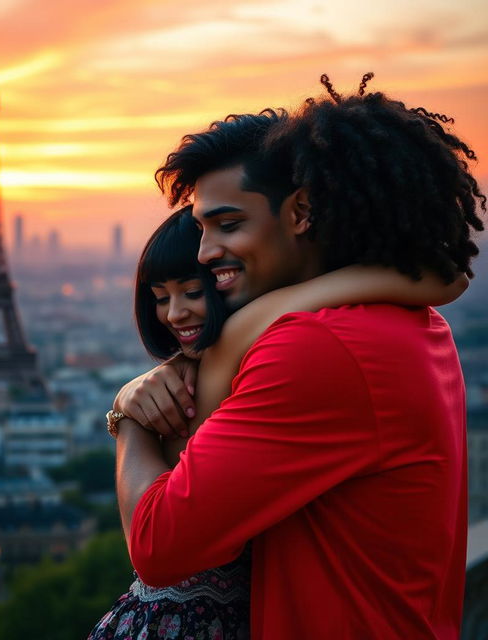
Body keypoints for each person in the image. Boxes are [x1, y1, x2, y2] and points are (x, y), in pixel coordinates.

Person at [113, 74, 485, 639]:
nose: (205, 251)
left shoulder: (318, 347)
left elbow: (158, 544)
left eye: (227, 224)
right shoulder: (414, 321)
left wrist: (128, 425)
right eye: (200, 229)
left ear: (302, 211)